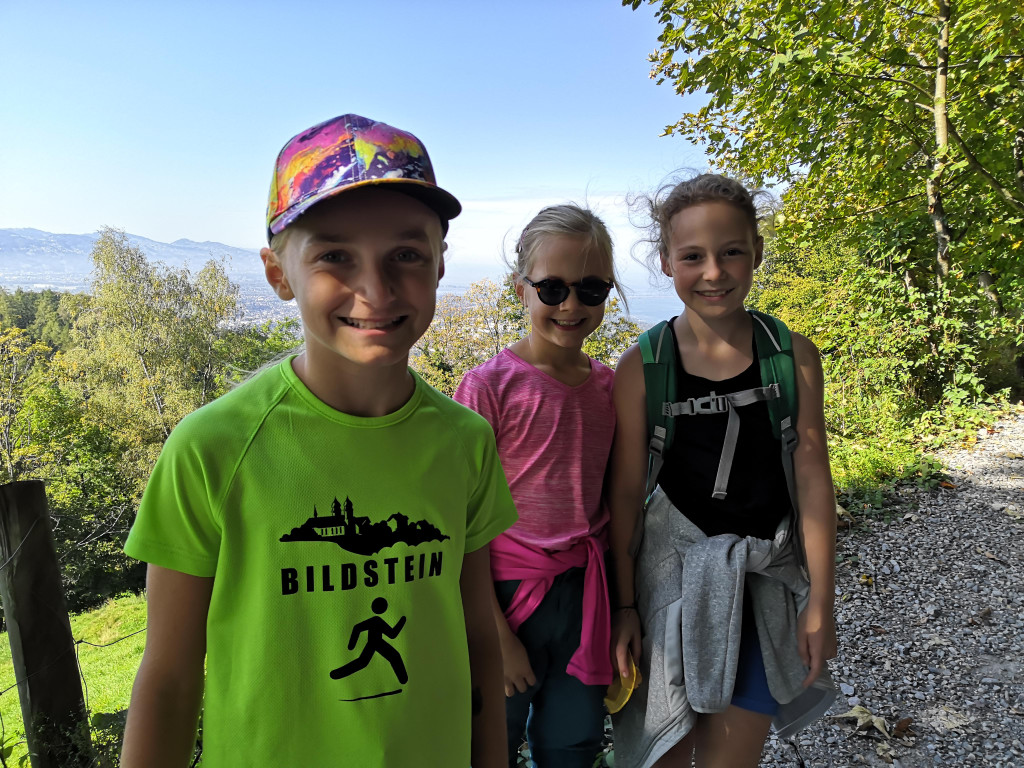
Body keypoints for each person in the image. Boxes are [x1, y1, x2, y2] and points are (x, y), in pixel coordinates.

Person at [119, 113, 518, 768]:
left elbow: (476, 640)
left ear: (440, 264)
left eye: (406, 255)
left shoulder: (465, 442)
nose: (375, 289)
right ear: (279, 273)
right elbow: (168, 680)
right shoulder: (212, 449)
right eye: (335, 256)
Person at [606, 174, 838, 767]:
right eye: (693, 257)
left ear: (756, 251)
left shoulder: (790, 357)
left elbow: (812, 477)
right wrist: (625, 608)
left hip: (760, 588)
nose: (714, 272)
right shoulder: (644, 366)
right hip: (668, 589)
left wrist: (820, 600)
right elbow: (626, 494)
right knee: (662, 750)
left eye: (731, 251)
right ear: (666, 262)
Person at [454, 204, 622, 768]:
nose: (571, 305)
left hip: (584, 593)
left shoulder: (610, 389)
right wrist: (493, 634)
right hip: (503, 595)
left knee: (573, 739)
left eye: (591, 289)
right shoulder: (489, 388)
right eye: (552, 288)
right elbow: (460, 520)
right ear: (520, 289)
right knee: (490, 737)